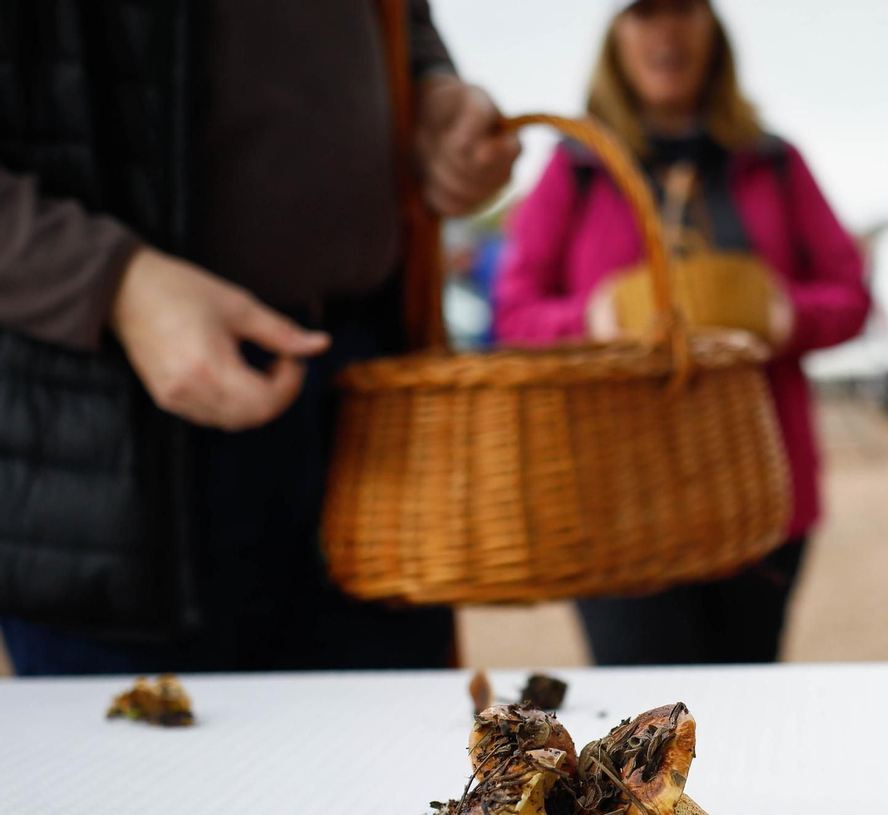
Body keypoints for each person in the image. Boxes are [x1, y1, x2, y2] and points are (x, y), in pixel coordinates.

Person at [0, 1, 520, 675]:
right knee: (139, 769)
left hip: (370, 395)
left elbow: (400, 25)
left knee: (398, 758)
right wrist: (114, 284)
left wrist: (430, 93)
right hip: (109, 438)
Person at [494, 0, 870, 667]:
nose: (666, 28)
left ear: (711, 27)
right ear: (618, 33)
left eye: (683, 9)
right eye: (645, 11)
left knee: (747, 693)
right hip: (613, 497)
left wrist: (792, 317)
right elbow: (513, 312)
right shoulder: (575, 168)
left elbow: (852, 292)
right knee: (643, 710)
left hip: (757, 487)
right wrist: (589, 321)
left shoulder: (773, 161)